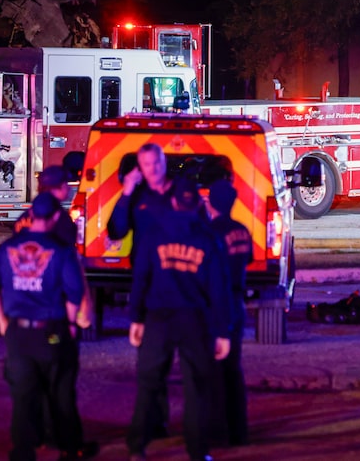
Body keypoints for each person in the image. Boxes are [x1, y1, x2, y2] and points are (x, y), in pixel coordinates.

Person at [0, 192, 98, 461]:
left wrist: (2, 321)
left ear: (31, 215)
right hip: (52, 331)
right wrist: (71, 323)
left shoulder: (8, 248)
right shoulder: (60, 250)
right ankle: (70, 448)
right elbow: (74, 291)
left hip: (19, 333)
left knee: (23, 395)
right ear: (56, 216)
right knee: (60, 392)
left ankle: (24, 450)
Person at [126, 176, 232, 461]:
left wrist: (135, 318)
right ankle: (198, 452)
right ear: (198, 202)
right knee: (196, 386)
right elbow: (219, 288)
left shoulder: (154, 234)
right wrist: (223, 330)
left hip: (158, 318)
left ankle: (137, 447)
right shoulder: (208, 239)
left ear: (173, 201)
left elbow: (141, 279)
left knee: (148, 383)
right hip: (194, 321)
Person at [14, 165, 93, 448]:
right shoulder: (60, 221)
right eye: (66, 185)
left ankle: (33, 437)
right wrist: (79, 312)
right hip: (54, 311)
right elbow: (70, 268)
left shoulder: (25, 218)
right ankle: (65, 440)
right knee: (59, 380)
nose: (70, 188)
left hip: (23, 308)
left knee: (29, 380)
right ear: (59, 187)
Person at [108, 142, 175, 438]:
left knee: (193, 364)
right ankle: (155, 423)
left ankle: (204, 429)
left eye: (157, 163)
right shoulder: (136, 197)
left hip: (181, 286)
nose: (153, 170)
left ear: (164, 162)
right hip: (150, 288)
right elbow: (117, 230)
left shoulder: (181, 194)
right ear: (140, 168)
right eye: (147, 165)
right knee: (151, 365)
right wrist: (126, 189)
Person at [207, 178, 253, 446]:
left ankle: (219, 433)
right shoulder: (242, 231)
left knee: (215, 372)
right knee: (234, 371)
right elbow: (245, 260)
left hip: (218, 304)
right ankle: (239, 431)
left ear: (211, 202)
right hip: (237, 302)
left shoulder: (211, 232)